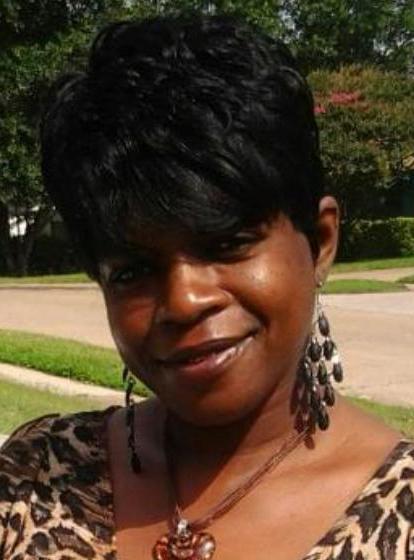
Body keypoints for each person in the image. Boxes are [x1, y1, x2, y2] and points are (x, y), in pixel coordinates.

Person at [0, 14, 413, 560]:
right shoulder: (35, 480)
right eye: (133, 271)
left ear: (320, 241)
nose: (183, 301)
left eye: (227, 244)